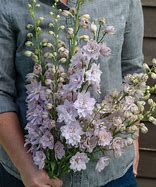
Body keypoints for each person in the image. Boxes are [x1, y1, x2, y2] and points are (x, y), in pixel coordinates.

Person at [0, 0, 144, 186]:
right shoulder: (9, 5)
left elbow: (133, 73)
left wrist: (133, 136)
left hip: (111, 172)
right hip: (29, 174)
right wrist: (26, 168)